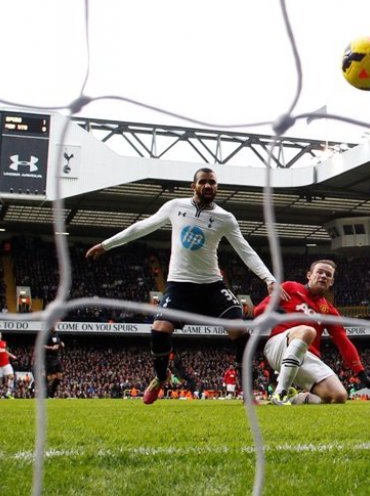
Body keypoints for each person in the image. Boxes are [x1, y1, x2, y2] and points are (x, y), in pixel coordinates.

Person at [86, 167, 282, 405]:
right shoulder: (175, 206)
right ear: (194, 186)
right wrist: (106, 245)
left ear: (216, 187)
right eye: (203, 182)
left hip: (212, 286)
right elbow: (142, 227)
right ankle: (161, 376)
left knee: (241, 332)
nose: (208, 186)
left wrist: (269, 279)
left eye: (212, 182)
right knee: (159, 331)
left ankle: (248, 394)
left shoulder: (225, 218)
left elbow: (246, 251)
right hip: (179, 285)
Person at [253, 259, 370, 405]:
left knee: (338, 396)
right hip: (278, 346)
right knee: (308, 331)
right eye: (319, 272)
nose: (323, 276)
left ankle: (295, 399)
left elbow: (343, 342)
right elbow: (258, 311)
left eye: (328, 275)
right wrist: (273, 310)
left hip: (306, 356)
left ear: (331, 282)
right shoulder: (290, 287)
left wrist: (362, 374)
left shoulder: (329, 311)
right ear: (309, 275)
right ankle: (280, 393)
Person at [43, 329, 65, 398]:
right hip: (49, 358)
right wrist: (51, 347)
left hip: (56, 358)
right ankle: (46, 394)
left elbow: (57, 343)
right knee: (49, 377)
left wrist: (61, 343)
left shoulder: (56, 334)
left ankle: (51, 394)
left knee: (60, 376)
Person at [0, 331, 18, 398]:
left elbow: (5, 351)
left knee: (12, 377)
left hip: (6, 363)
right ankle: (1, 394)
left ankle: (8, 393)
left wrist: (12, 355)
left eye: (0, 334)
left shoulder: (4, 343)